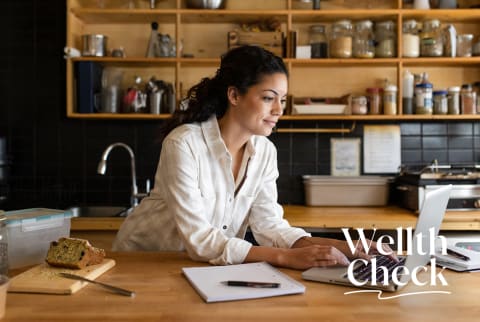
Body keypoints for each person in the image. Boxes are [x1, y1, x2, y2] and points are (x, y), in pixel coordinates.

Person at [113, 45, 393, 269]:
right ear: (234, 95)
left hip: (202, 268)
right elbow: (200, 239)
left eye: (282, 99)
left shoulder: (264, 152)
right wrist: (284, 258)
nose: (279, 110)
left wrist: (346, 246)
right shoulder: (184, 144)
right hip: (144, 263)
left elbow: (268, 225)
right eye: (269, 98)